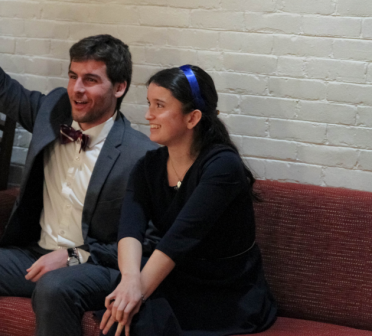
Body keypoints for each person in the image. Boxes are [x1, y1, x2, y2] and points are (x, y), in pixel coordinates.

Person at [0, 9, 158, 336]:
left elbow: (149, 244)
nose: (77, 89)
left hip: (93, 263)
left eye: (90, 80)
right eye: (73, 76)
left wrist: (71, 257)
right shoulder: (53, 110)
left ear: (119, 88)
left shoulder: (141, 154)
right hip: (31, 251)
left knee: (54, 288)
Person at [99, 66, 277, 336]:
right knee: (122, 313)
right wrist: (130, 280)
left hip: (225, 292)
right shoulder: (149, 166)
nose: (148, 115)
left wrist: (134, 294)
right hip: (177, 279)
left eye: (159, 105)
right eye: (149, 104)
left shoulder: (223, 166)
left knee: (132, 316)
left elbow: (180, 238)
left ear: (192, 118)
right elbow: (130, 228)